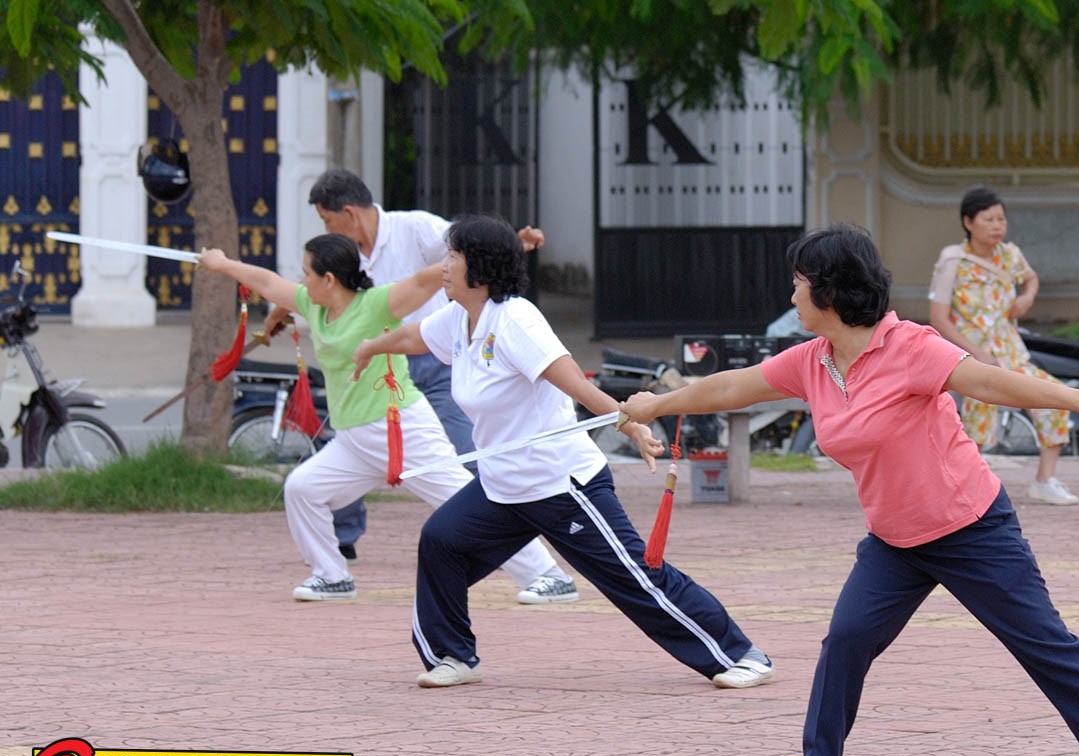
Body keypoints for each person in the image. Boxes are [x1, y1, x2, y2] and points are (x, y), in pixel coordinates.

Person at [619, 225, 1079, 756]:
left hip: (971, 527)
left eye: (799, 285)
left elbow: (988, 382)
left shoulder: (910, 346)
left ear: (829, 292)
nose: (792, 297)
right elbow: (733, 388)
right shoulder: (813, 362)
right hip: (895, 539)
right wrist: (658, 403)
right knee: (847, 640)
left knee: (1042, 641)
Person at [351, 215, 774, 690]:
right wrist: (371, 347)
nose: (443, 266)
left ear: (481, 270)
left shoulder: (515, 320)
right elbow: (413, 337)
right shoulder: (458, 319)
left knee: (635, 578)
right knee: (442, 541)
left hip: (560, 484)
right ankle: (454, 655)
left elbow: (570, 377)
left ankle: (739, 654)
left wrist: (627, 421)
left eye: (452, 256)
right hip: (502, 488)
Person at [196, 236, 573, 603]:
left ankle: (549, 576)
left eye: (307, 273)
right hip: (354, 440)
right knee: (303, 489)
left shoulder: (376, 304)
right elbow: (264, 282)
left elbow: (425, 279)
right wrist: (221, 264)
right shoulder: (312, 305)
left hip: (401, 428)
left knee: (465, 498)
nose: (301, 280)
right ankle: (332, 576)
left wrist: (499, 248)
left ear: (329, 279)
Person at [308, 170, 578, 603]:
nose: (326, 230)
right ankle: (338, 554)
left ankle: (537, 564)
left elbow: (469, 249)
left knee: (457, 472)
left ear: (348, 213)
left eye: (326, 220)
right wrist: (371, 347)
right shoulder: (345, 258)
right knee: (312, 483)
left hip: (442, 362)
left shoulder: (415, 228)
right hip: (400, 363)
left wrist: (512, 240)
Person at [927, 186, 1079, 505]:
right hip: (969, 354)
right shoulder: (952, 260)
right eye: (989, 219)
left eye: (1001, 219)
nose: (998, 226)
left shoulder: (1010, 254)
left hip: (1010, 350)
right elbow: (939, 319)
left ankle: (1045, 479)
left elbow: (1030, 278)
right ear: (968, 222)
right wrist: (977, 354)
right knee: (978, 413)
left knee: (1054, 398)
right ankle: (964, 484)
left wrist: (1026, 297)